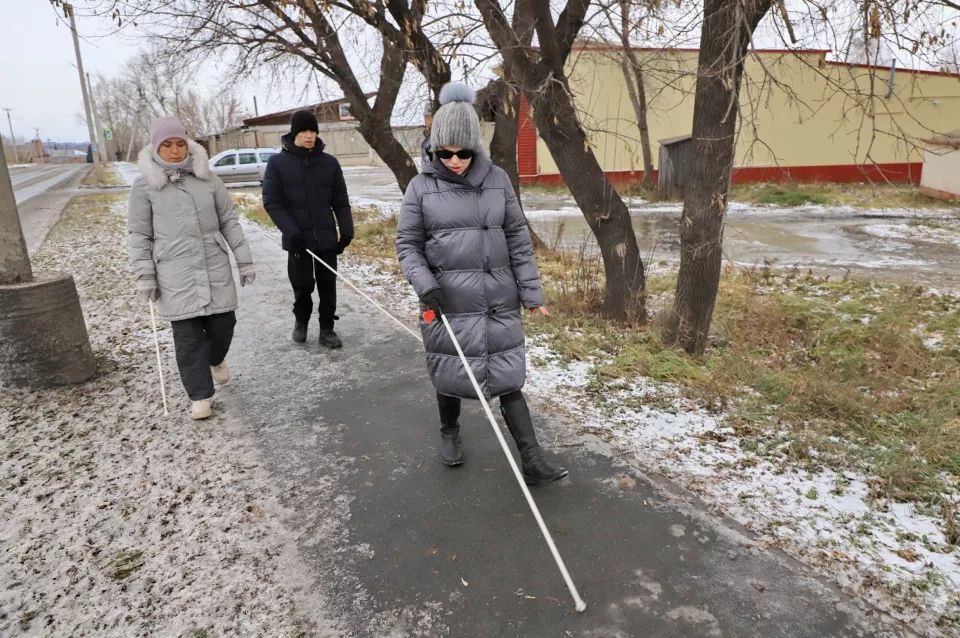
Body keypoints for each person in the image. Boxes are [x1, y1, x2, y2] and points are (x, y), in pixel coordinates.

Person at [396, 82, 568, 486]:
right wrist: (426, 286)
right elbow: (407, 244)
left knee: (508, 376)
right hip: (448, 300)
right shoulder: (421, 187)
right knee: (450, 370)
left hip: (497, 299)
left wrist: (531, 292)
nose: (454, 160)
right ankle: (450, 432)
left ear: (476, 148)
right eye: (445, 152)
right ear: (434, 148)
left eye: (463, 152)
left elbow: (517, 239)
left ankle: (532, 459)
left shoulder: (499, 181)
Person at [127, 117, 255, 420]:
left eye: (179, 144)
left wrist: (244, 260)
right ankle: (200, 395)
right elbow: (139, 233)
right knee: (187, 338)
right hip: (173, 271)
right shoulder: (145, 185)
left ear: (188, 145)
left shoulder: (208, 179)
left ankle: (216, 360)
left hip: (214, 264)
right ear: (156, 147)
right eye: (167, 145)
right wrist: (145, 274)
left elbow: (229, 221)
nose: (174, 150)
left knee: (224, 325)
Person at [262, 109, 353, 348]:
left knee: (327, 285)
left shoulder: (329, 163)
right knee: (302, 286)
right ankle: (301, 321)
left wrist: (346, 229)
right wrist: (291, 232)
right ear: (294, 133)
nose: (310, 135)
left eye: (313, 130)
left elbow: (340, 200)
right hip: (298, 239)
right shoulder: (277, 163)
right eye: (304, 131)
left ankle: (327, 329)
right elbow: (272, 202)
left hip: (325, 237)